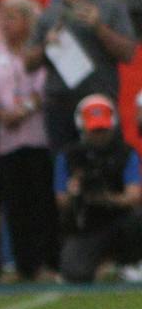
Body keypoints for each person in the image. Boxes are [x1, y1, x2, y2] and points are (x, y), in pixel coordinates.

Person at [0, 0, 60, 280]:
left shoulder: (39, 52)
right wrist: (0, 111)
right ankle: (22, 266)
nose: (5, 23)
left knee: (41, 202)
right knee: (15, 205)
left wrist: (22, 110)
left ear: (27, 21)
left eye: (11, 17)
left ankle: (47, 264)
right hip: (7, 141)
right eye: (3, 18)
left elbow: (46, 88)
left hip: (37, 137)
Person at [36, 0, 135, 151]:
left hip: (99, 100)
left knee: (106, 166)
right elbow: (28, 62)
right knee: (62, 168)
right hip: (59, 103)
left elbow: (128, 53)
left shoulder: (111, 8)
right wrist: (47, 45)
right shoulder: (49, 13)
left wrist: (99, 28)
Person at [55, 95, 142, 282]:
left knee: (138, 218)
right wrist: (74, 192)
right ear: (82, 127)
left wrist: (107, 198)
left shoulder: (125, 153)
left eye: (103, 130)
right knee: (75, 273)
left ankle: (127, 263)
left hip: (119, 221)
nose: (99, 136)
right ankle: (102, 266)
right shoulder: (69, 157)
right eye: (95, 130)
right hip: (86, 227)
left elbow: (134, 196)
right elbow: (61, 202)